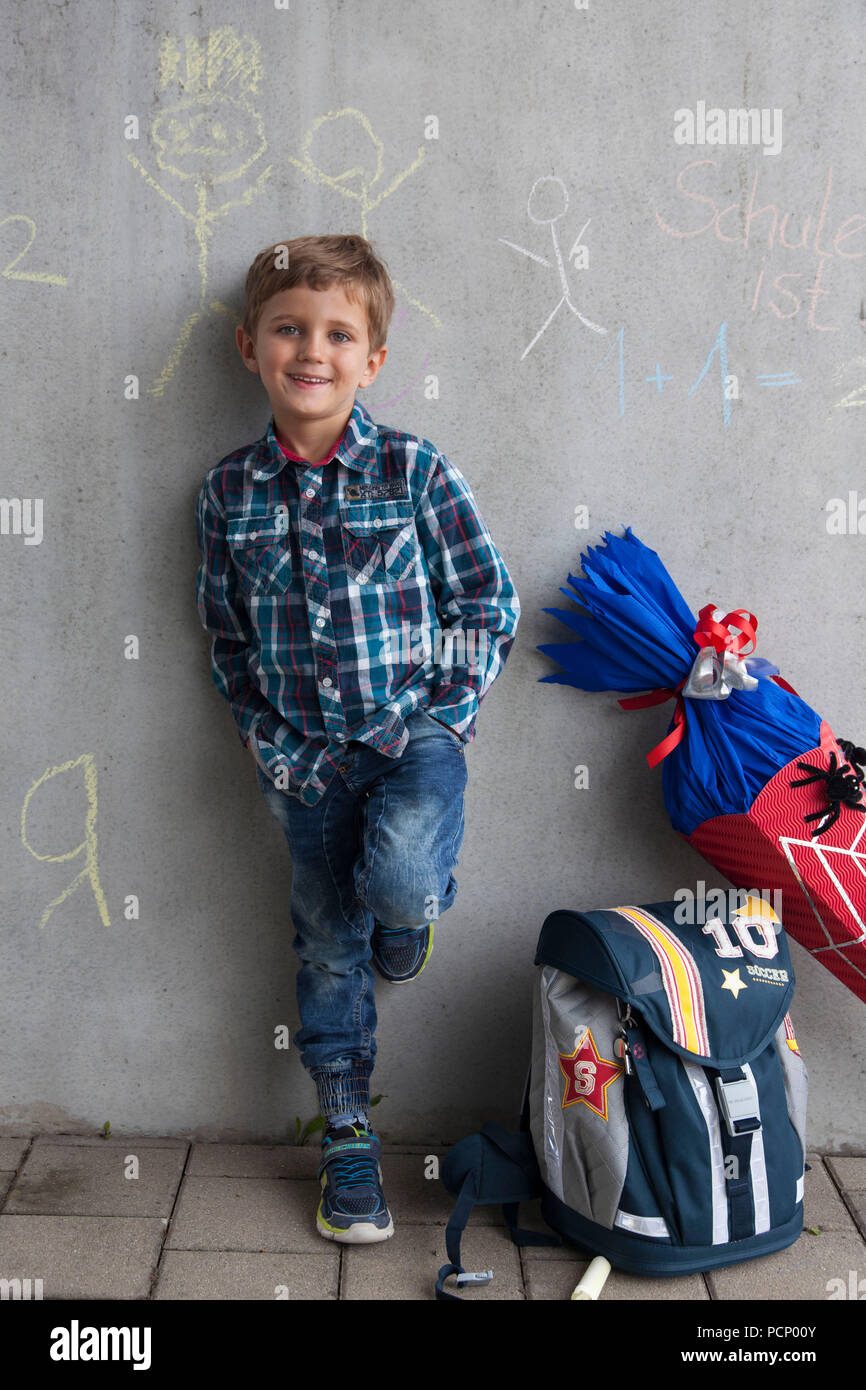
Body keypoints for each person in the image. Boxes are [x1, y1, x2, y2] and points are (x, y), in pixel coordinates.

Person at [195, 233, 520, 1243]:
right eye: (289, 328)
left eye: (338, 333)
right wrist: (265, 740)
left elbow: (484, 599)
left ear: (371, 358)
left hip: (411, 734)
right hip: (302, 758)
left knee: (395, 888)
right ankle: (344, 1132)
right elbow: (228, 640)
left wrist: (447, 712)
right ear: (250, 346)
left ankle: (407, 914)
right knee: (326, 946)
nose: (312, 350)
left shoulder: (414, 469)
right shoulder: (227, 494)